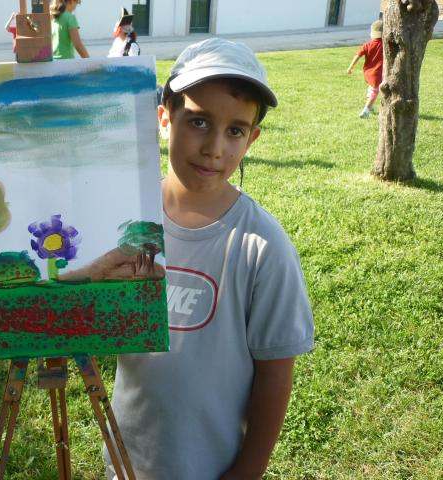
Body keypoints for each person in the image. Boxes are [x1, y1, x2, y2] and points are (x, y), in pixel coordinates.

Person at [105, 38, 314, 480]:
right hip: (127, 459)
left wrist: (248, 471)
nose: (214, 148)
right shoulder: (127, 221)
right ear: (165, 117)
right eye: (199, 121)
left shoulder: (262, 246)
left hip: (211, 467)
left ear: (252, 139)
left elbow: (275, 375)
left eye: (235, 130)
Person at [347, 20, 384, 119]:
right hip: (378, 74)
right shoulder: (385, 45)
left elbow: (357, 56)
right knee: (375, 92)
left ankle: (370, 107)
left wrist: (350, 67)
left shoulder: (367, 45)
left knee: (371, 89)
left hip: (368, 73)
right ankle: (366, 110)